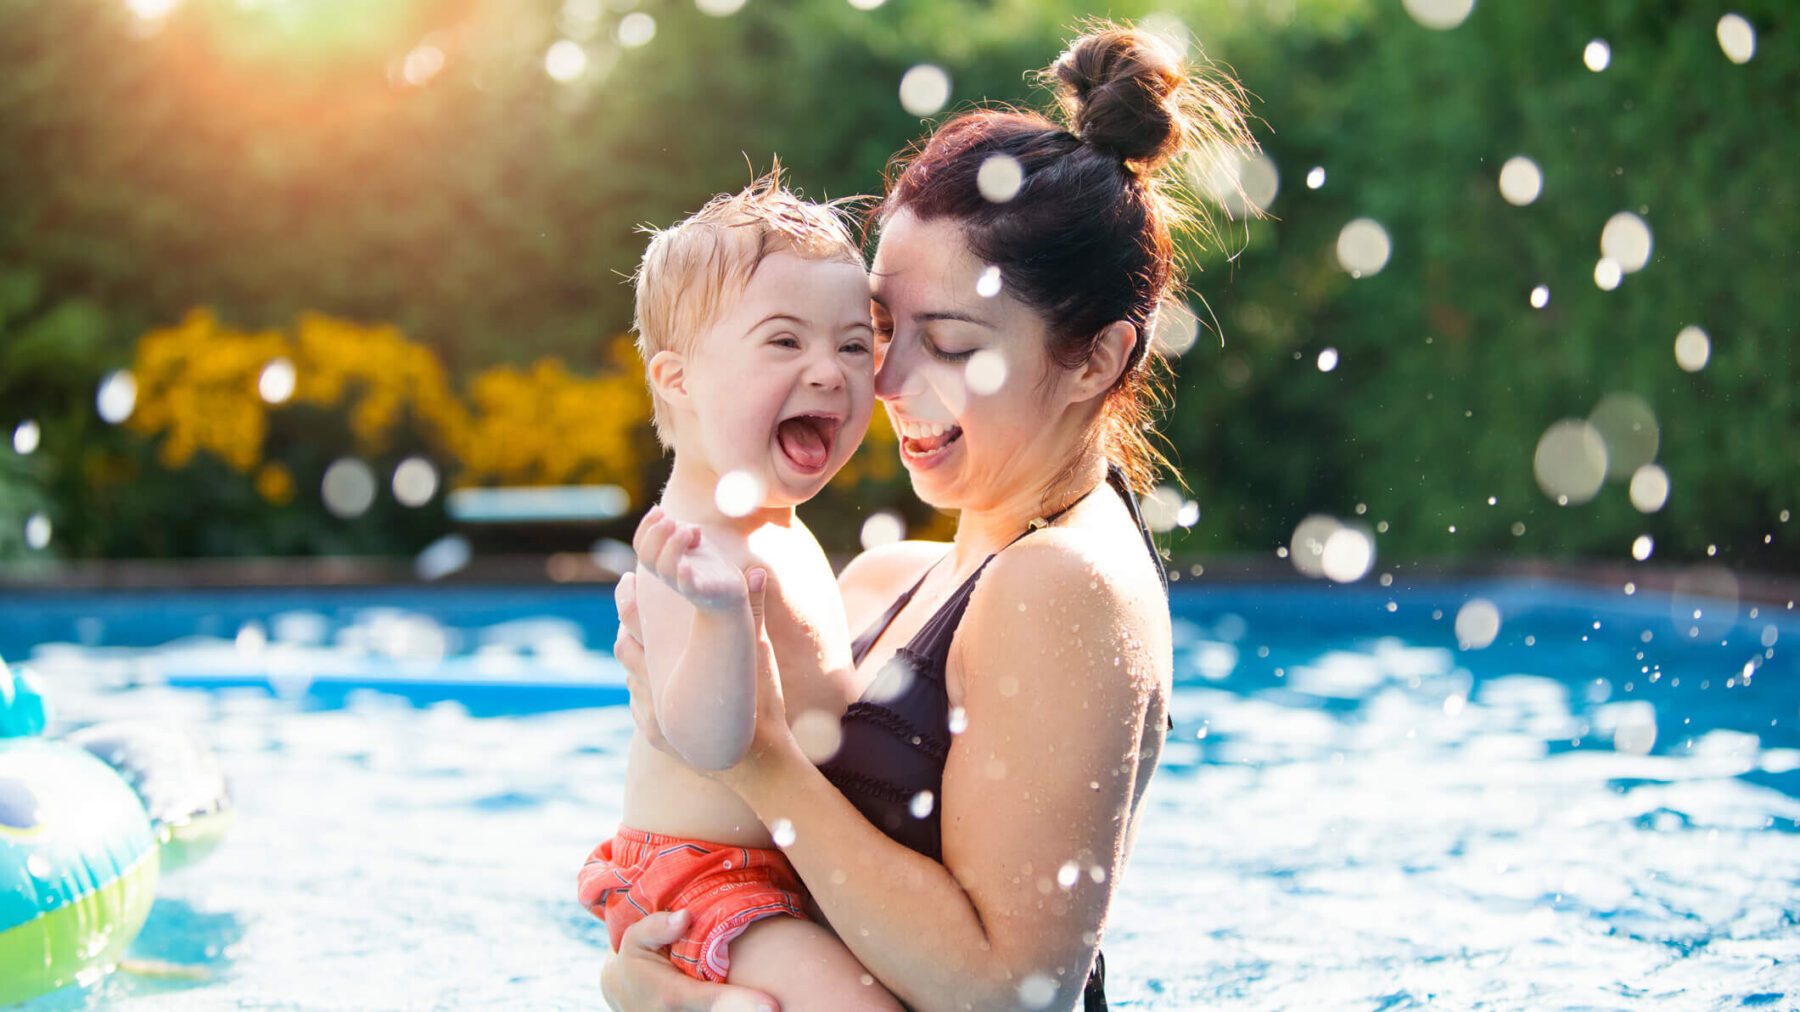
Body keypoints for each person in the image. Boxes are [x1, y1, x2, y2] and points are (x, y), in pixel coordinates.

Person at [603, 23, 1255, 1011]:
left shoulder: (1060, 584)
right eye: (880, 330)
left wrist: (762, 764)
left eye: (949, 343)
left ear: (1096, 359)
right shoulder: (891, 578)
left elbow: (1013, 992)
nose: (888, 381)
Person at [575, 171, 901, 1010]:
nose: (830, 372)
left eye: (854, 345)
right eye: (785, 343)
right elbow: (709, 741)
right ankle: (666, 996)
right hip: (706, 881)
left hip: (791, 866)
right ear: (678, 380)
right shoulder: (689, 549)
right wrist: (721, 616)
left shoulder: (773, 522)